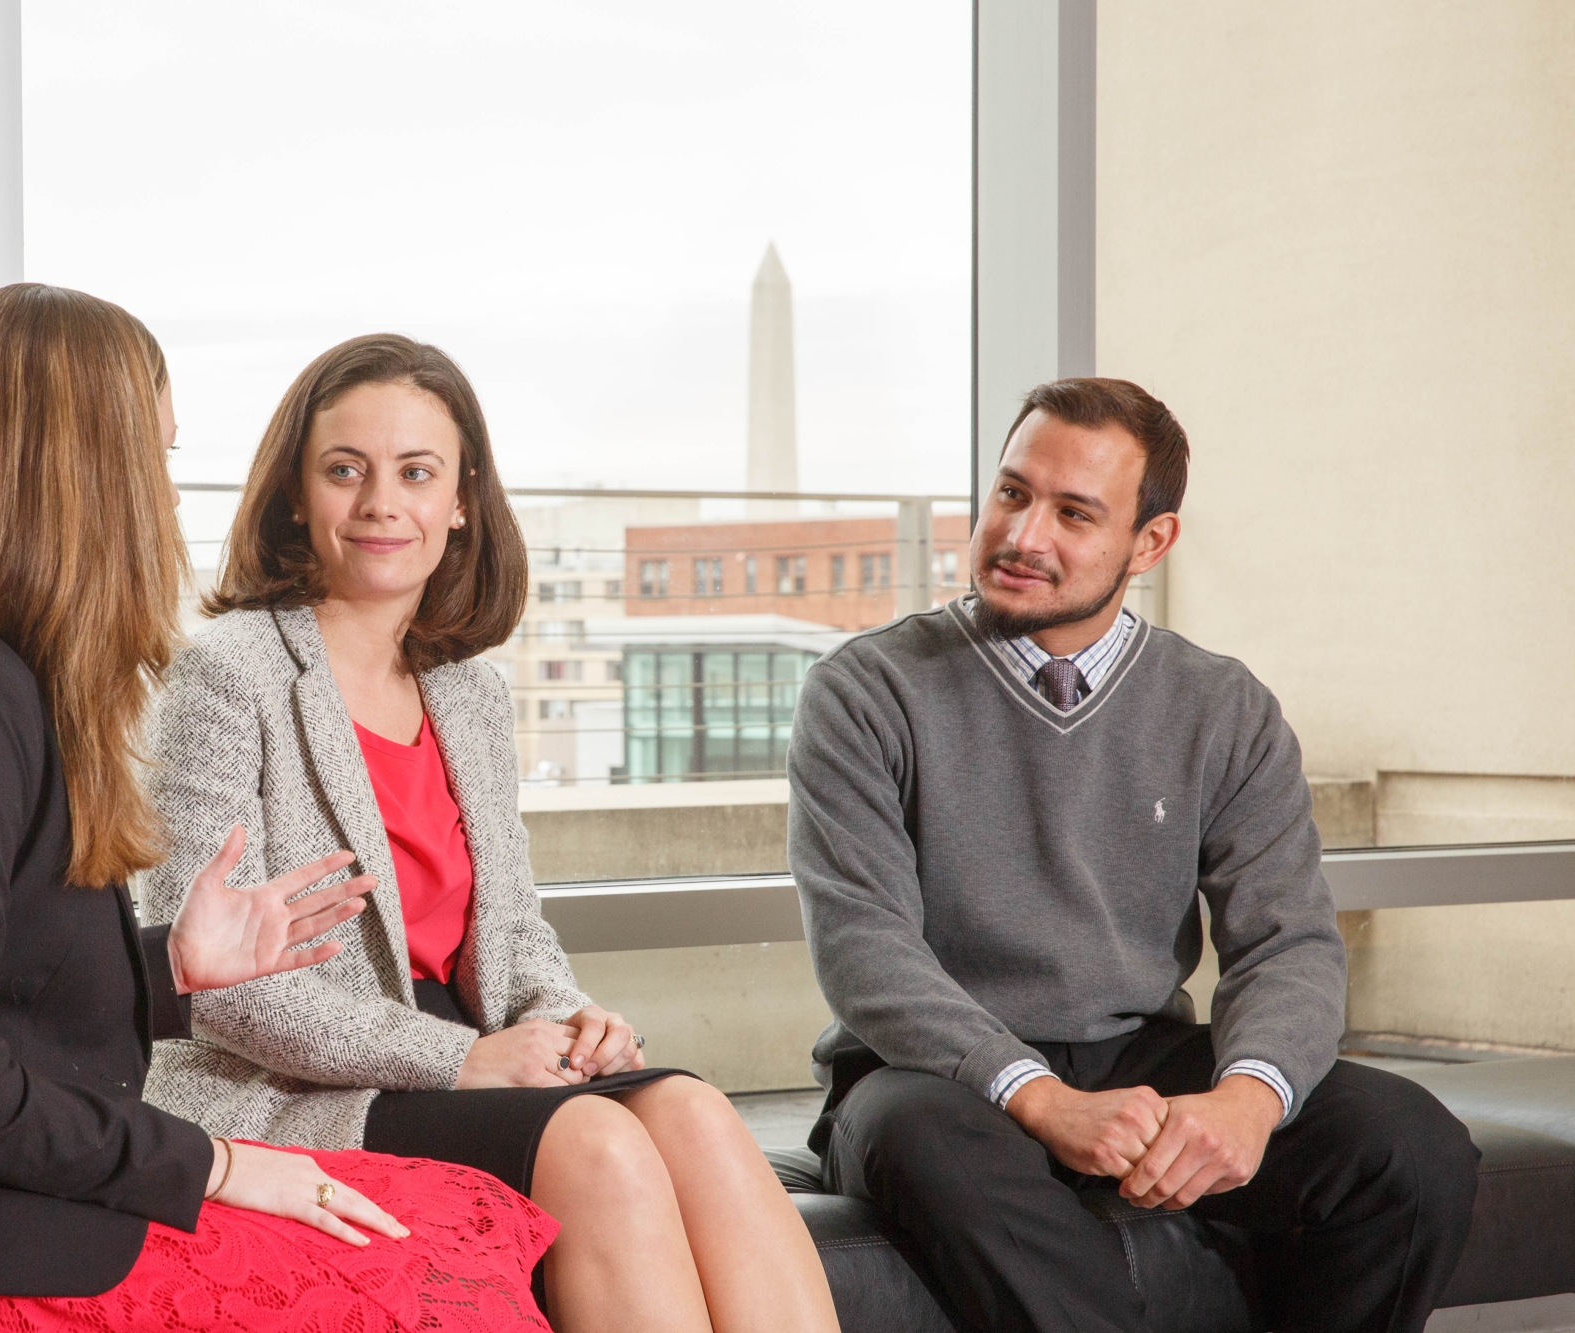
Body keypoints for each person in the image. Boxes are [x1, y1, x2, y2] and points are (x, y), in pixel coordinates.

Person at [0, 285, 562, 1333]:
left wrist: (171, 969)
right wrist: (219, 1165)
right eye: (156, 460)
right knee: (433, 1277)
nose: (167, 502)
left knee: (459, 1220)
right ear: (81, 475)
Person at [139, 333, 840, 1333]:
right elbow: (207, 982)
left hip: (463, 1051)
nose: (383, 502)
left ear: (461, 499)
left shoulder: (467, 694)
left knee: (690, 1110)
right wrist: (458, 1059)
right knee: (596, 1148)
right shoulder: (227, 674)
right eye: (346, 470)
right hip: (287, 1079)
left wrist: (569, 1015)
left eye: (415, 472)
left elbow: (510, 937)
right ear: (296, 495)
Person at [789, 377, 1481, 1333]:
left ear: (1150, 543)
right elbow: (866, 951)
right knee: (932, 1142)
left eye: (1074, 512)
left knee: (1410, 1145)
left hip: (1149, 1055)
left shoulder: (1224, 708)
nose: (1025, 534)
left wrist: (1245, 1099)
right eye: (1012, 492)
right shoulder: (865, 691)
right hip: (934, 1079)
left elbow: (1289, 944)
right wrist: (1038, 1096)